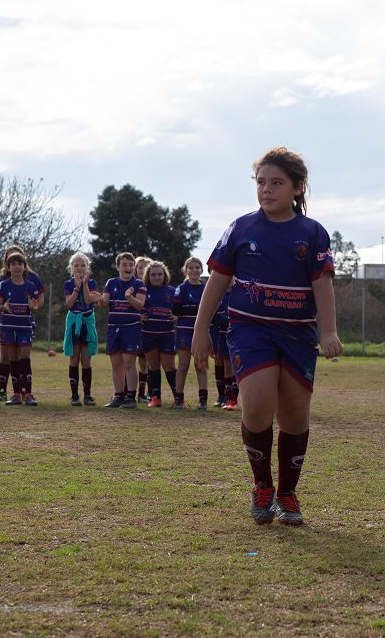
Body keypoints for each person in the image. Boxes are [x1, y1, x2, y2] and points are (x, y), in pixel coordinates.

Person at [192, 146, 342, 526]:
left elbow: (322, 285)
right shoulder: (241, 228)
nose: (267, 190)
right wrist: (199, 330)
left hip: (296, 334)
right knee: (257, 406)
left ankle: (287, 494)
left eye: (277, 183)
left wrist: (329, 331)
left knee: (294, 416)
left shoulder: (312, 233)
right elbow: (218, 282)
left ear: (297, 187)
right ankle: (262, 486)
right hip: (250, 329)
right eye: (261, 182)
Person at [0, 245, 46, 401]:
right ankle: (8, 392)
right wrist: (3, 307)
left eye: (19, 262)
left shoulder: (32, 281)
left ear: (24, 264)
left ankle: (27, 392)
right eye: (12, 262)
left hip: (24, 324)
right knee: (8, 357)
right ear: (7, 265)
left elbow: (38, 302)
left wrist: (34, 306)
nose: (16, 266)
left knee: (24, 357)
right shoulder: (2, 282)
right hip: (9, 325)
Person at [100, 252, 147, 408]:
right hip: (114, 328)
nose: (128, 267)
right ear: (118, 266)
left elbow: (140, 306)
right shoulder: (110, 283)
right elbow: (104, 303)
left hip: (131, 328)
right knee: (116, 365)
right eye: (124, 264)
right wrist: (98, 299)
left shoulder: (139, 284)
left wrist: (129, 297)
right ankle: (118, 395)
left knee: (129, 364)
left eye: (130, 265)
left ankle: (131, 398)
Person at [63, 251, 99, 406]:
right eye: (76, 265)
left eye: (82, 265)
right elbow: (69, 304)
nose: (79, 267)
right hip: (74, 323)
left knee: (86, 360)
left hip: (87, 322)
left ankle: (87, 395)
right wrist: (76, 288)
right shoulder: (68, 283)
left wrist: (84, 284)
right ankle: (74, 395)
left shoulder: (92, 283)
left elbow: (87, 299)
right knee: (74, 358)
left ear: (87, 267)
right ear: (71, 267)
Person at [140, 260, 178, 408]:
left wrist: (178, 316)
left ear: (165, 275)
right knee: (153, 366)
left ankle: (178, 397)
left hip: (166, 334)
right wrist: (138, 316)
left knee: (169, 366)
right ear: (148, 276)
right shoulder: (143, 291)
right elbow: (133, 307)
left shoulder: (172, 291)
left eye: (160, 274)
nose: (157, 277)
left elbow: (180, 309)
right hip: (148, 334)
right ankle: (155, 397)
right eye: (153, 274)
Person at [172, 257, 208, 409]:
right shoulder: (182, 288)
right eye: (191, 268)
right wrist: (198, 309)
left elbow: (211, 309)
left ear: (201, 270)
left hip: (201, 333)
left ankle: (203, 401)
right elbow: (176, 310)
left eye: (197, 267)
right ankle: (179, 400)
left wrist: (192, 308)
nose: (194, 270)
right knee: (183, 365)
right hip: (184, 332)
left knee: (201, 365)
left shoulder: (206, 288)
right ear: (186, 271)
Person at [134, 255, 152, 402]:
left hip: (150, 329)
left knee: (147, 362)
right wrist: (136, 317)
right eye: (140, 267)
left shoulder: (153, 288)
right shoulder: (131, 285)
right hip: (133, 329)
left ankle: (145, 393)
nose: (142, 269)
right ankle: (126, 392)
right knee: (129, 362)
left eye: (146, 267)